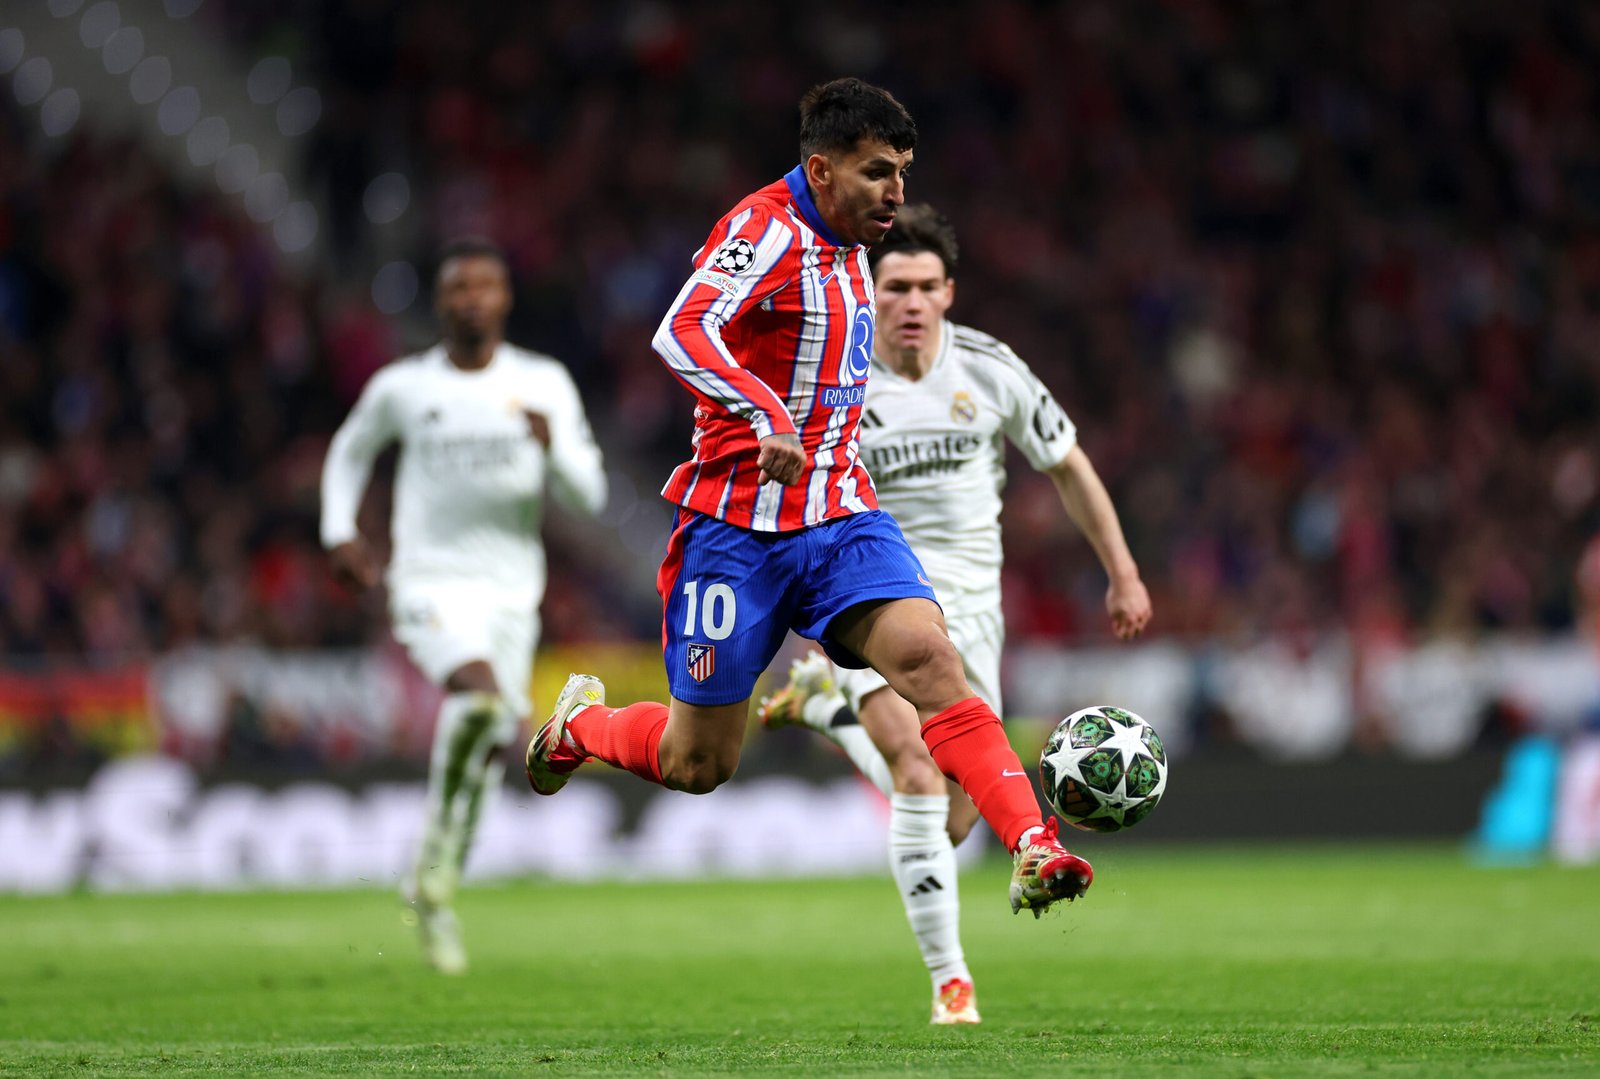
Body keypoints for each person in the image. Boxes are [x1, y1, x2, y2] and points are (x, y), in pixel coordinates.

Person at [523, 77, 1094, 987]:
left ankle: (1035, 843)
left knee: (932, 664)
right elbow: (681, 332)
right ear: (820, 170)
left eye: (903, 172)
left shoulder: (855, 244)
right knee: (697, 763)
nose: (896, 193)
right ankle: (581, 725)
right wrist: (762, 416)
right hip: (734, 532)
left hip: (839, 516)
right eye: (878, 173)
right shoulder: (767, 231)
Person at [757, 204, 1153, 1023]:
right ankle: (952, 983)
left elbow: (1069, 465)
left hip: (970, 609)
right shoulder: (837, 376)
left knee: (955, 813)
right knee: (913, 767)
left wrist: (1122, 571)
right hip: (866, 595)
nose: (909, 300)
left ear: (948, 292)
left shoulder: (989, 368)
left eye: (925, 286)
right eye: (894, 284)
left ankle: (828, 712)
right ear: (870, 288)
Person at [320, 238, 606, 974]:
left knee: (486, 746)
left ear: (505, 298)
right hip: (426, 582)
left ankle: (435, 883)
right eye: (458, 288)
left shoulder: (543, 382)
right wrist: (339, 530)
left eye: (486, 285)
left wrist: (555, 451)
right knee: (478, 701)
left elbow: (591, 494)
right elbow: (351, 450)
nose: (472, 298)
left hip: (513, 593)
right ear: (442, 301)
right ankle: (435, 874)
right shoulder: (405, 387)